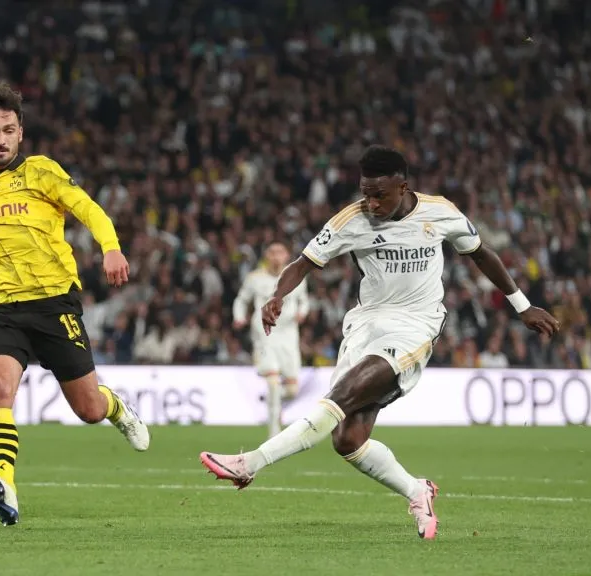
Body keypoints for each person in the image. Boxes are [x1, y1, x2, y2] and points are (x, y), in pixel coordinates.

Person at [200, 145, 560, 540]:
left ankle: (250, 463)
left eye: (380, 195)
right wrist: (277, 296)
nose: (371, 203)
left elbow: (481, 253)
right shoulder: (350, 220)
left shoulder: (440, 212)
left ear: (403, 187)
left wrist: (522, 306)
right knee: (347, 439)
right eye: (365, 193)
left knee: (340, 397)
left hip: (416, 325)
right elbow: (303, 263)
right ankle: (417, 491)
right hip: (366, 324)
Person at [0, 82, 149, 526]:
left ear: (20, 133)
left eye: (8, 130)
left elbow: (88, 209)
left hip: (52, 304)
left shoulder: (43, 172)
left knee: (89, 409)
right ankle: (3, 481)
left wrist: (111, 247)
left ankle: (117, 408)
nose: (0, 139)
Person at [233, 242, 309, 436]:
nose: (276, 256)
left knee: (292, 390)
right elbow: (241, 300)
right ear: (266, 255)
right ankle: (273, 434)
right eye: (272, 252)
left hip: (289, 335)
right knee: (273, 383)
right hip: (264, 334)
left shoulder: (296, 275)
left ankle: (272, 401)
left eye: (280, 252)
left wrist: (302, 312)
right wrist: (239, 317)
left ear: (286, 256)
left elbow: (304, 301)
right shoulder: (254, 278)